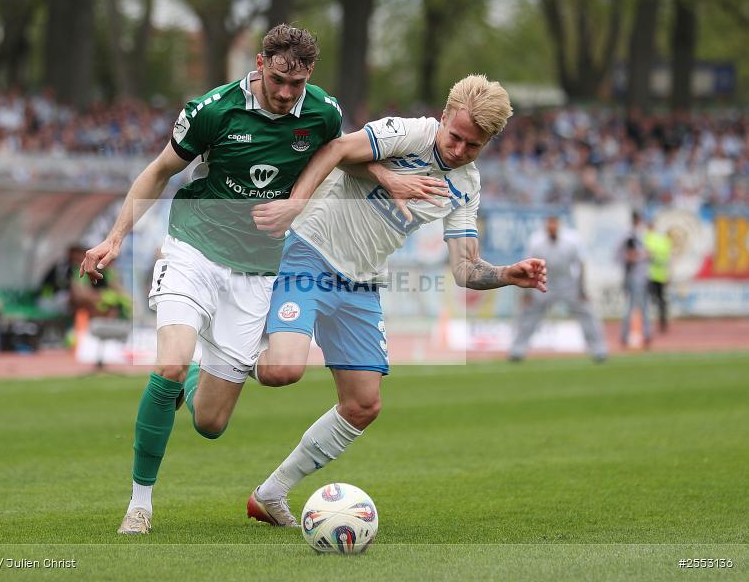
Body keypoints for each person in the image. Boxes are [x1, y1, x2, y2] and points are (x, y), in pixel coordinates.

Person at [79, 24, 443, 535]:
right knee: (169, 363)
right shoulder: (213, 110)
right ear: (259, 64)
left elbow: (339, 158)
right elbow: (159, 171)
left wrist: (386, 176)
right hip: (193, 248)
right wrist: (116, 238)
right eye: (278, 80)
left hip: (256, 272)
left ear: (309, 75)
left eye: (297, 84)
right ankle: (140, 504)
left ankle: (191, 379)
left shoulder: (322, 112)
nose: (287, 93)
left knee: (210, 423)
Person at [243, 74, 548, 526]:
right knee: (282, 371)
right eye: (455, 136)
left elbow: (464, 269)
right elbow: (336, 149)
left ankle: (271, 494)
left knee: (363, 405)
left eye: (473, 145)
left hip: (362, 281)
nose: (459, 150)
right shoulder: (411, 133)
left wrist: (506, 274)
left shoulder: (467, 185)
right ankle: (219, 361)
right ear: (443, 117)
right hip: (311, 251)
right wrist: (384, 180)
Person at [508, 215, 607, 362]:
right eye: (549, 226)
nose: (552, 228)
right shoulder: (536, 241)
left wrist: (582, 290)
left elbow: (581, 264)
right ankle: (517, 350)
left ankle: (599, 350)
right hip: (545, 283)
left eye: (554, 225)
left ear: (559, 226)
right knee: (528, 315)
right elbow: (528, 266)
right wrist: (527, 292)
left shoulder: (572, 240)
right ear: (546, 227)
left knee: (587, 313)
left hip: (568, 284)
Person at [619, 211, 650, 348]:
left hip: (636, 276)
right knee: (637, 307)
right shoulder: (631, 236)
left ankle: (628, 335)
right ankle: (644, 334)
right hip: (634, 277)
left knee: (635, 307)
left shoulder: (633, 235)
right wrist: (644, 255)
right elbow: (630, 256)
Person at [643, 218, 672, 334]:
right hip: (662, 275)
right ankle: (663, 323)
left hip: (649, 275)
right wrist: (668, 275)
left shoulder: (646, 239)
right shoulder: (663, 241)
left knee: (647, 301)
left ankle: (646, 325)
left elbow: (646, 256)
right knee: (661, 301)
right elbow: (668, 260)